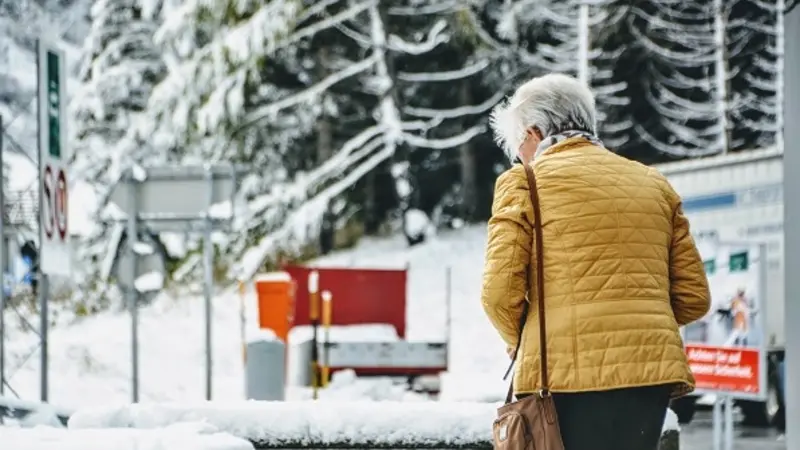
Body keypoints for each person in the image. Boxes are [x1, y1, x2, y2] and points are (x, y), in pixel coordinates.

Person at [481, 73, 711, 450]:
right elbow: (693, 297)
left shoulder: (524, 181)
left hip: (565, 380)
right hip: (649, 376)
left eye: (517, 143)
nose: (519, 155)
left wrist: (522, 339)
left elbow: (497, 293)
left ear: (535, 133)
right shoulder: (653, 183)